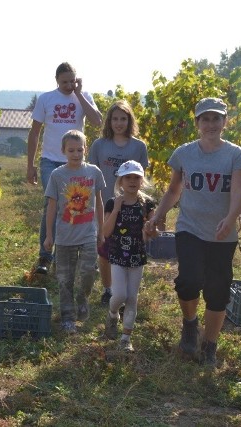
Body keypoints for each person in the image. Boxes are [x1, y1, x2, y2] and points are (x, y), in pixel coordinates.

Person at [146, 97, 241, 367]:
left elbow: (238, 192)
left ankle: (210, 346)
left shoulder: (235, 155)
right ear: (197, 123)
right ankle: (190, 323)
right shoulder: (184, 154)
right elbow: (173, 190)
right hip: (189, 228)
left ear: (225, 122)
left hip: (221, 234)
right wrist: (158, 215)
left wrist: (229, 218)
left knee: (218, 290)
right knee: (189, 280)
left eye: (217, 118)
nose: (211, 124)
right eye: (205, 119)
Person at [28, 62, 102, 275]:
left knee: (79, 204)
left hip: (76, 161)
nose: (69, 85)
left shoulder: (84, 96)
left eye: (72, 81)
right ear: (57, 81)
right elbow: (34, 133)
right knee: (51, 203)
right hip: (50, 160)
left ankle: (79, 251)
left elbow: (97, 121)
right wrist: (30, 165)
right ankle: (45, 255)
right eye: (65, 82)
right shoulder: (46, 99)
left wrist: (79, 95)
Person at [87, 100, 150, 306]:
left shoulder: (139, 147)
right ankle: (108, 289)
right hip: (104, 205)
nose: (119, 123)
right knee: (104, 250)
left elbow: (141, 178)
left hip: (130, 209)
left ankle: (126, 293)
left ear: (129, 120)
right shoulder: (99, 145)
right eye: (115, 119)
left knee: (127, 249)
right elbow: (92, 176)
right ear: (109, 121)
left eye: (123, 119)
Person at [43, 130, 106, 333]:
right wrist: (49, 236)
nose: (76, 154)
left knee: (88, 272)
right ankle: (68, 317)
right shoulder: (57, 175)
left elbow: (99, 202)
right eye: (71, 150)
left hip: (88, 234)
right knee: (64, 279)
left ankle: (83, 297)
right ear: (63, 151)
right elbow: (51, 208)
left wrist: (101, 231)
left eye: (80, 150)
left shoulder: (94, 172)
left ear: (85, 149)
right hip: (64, 237)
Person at [102, 160, 157, 352]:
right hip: (117, 255)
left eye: (136, 177)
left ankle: (126, 338)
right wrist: (116, 209)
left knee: (132, 297)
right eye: (128, 177)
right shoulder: (112, 202)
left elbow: (155, 232)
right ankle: (112, 313)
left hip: (137, 256)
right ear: (120, 181)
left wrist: (151, 228)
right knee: (119, 295)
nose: (132, 181)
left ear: (142, 180)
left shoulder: (147, 204)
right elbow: (106, 232)